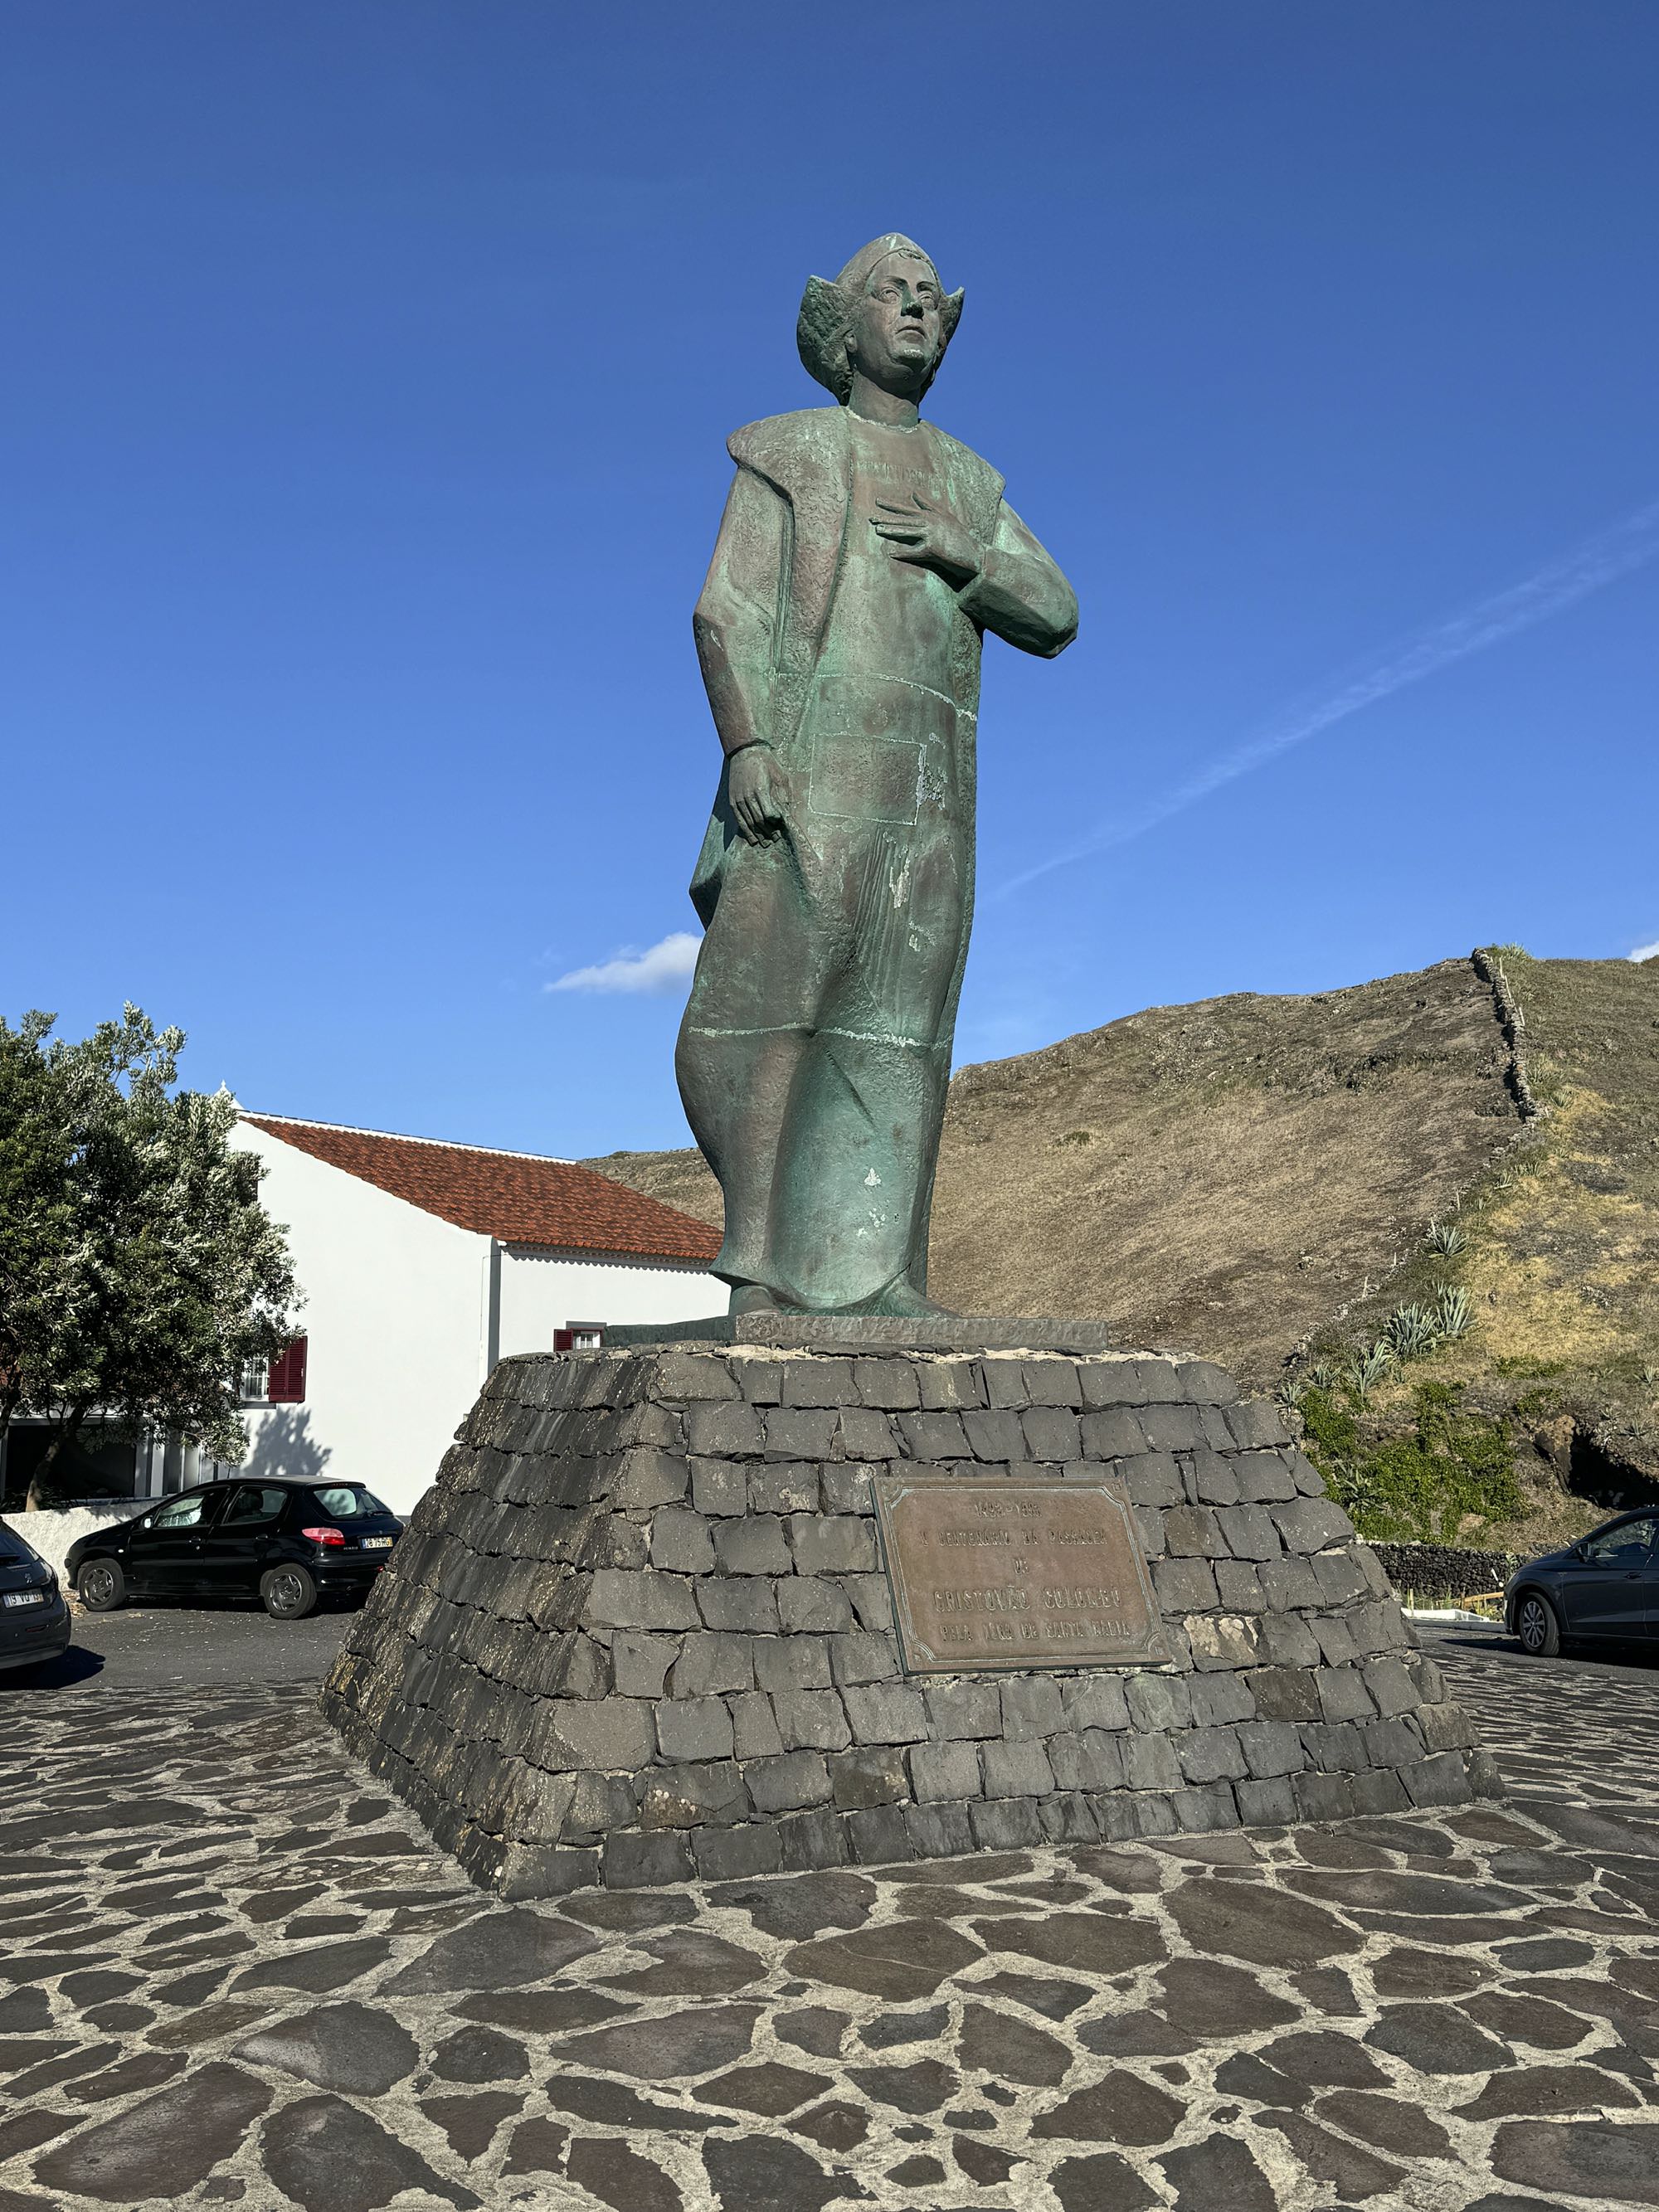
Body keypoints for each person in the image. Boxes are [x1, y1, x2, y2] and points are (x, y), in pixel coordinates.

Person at [676, 234, 1078, 1318]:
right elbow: (726, 613)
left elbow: (1056, 612)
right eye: (890, 294)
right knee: (768, 1020)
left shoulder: (969, 482)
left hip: (929, 803)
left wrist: (966, 553)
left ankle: (886, 1276)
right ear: (843, 327)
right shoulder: (788, 450)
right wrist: (748, 744)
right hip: (805, 780)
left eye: (929, 300)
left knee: (904, 1033)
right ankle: (760, 1270)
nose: (914, 309)